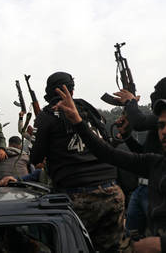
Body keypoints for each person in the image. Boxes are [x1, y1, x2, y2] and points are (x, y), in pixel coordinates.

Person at [55, 84, 166, 253]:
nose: (164, 131)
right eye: (161, 126)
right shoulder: (156, 163)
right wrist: (78, 122)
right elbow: (108, 153)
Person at [29, 72, 123, 252]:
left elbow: (35, 158)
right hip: (113, 192)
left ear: (49, 92)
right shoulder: (88, 109)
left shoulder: (47, 115)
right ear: (71, 90)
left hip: (77, 196)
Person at [113, 78, 166, 237]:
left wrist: (130, 101)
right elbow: (142, 153)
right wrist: (126, 136)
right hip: (142, 188)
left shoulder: (160, 120)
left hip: (156, 191)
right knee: (132, 240)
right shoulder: (157, 129)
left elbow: (140, 122)